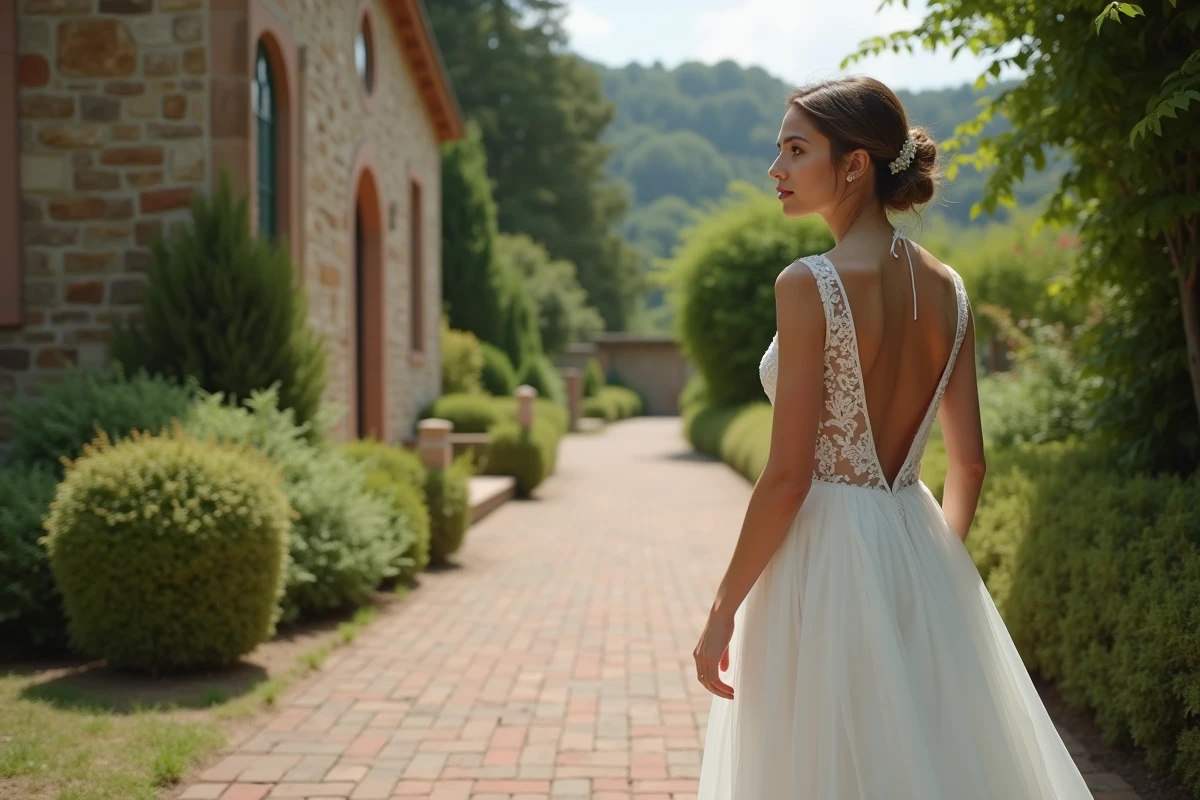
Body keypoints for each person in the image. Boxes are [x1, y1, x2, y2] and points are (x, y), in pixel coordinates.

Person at [693, 75, 1093, 799]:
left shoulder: (807, 283)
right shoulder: (952, 288)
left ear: (853, 166)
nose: (775, 170)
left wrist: (721, 612)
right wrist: (935, 573)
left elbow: (787, 478)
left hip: (820, 556)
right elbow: (968, 462)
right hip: (913, 539)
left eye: (794, 149)